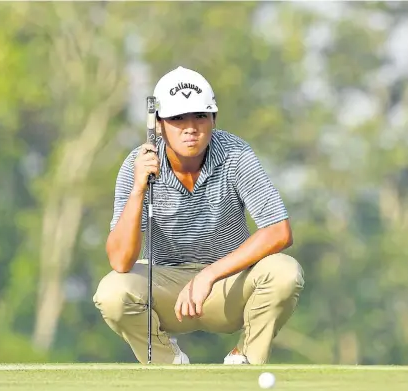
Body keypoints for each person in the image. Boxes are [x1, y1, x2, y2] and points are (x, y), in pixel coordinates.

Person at [93, 66, 305, 365]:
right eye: (178, 118)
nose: (190, 127)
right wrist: (139, 189)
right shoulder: (136, 164)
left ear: (213, 119)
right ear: (159, 125)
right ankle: (169, 365)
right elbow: (120, 261)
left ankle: (244, 359)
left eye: (200, 116)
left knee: (285, 272)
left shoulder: (236, 154)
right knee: (113, 292)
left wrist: (209, 274)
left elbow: (279, 231)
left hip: (229, 285)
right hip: (166, 287)